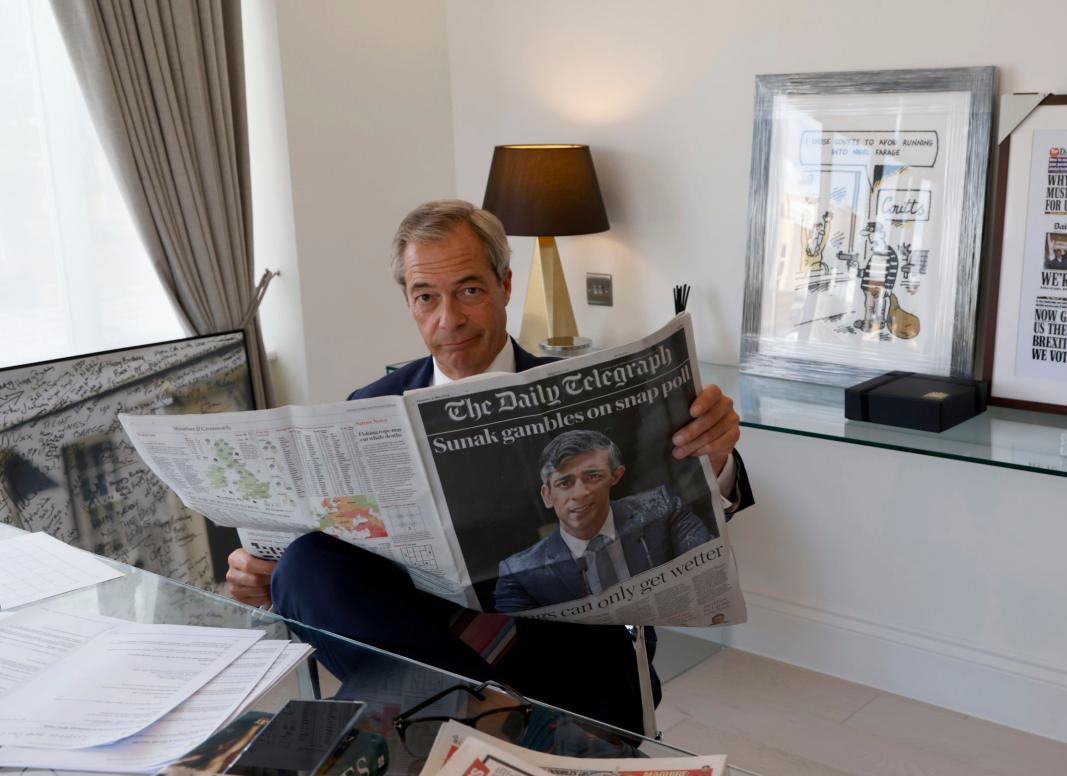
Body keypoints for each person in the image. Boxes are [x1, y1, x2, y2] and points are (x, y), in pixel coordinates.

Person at [224, 199, 752, 733]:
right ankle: (502, 722)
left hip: (562, 645)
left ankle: (481, 723)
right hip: (422, 640)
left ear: (505, 285)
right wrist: (265, 571)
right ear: (408, 301)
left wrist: (715, 458)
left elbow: (680, 515)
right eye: (425, 296)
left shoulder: (583, 393)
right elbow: (338, 549)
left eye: (469, 290)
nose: (447, 319)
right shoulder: (369, 406)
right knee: (303, 563)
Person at [493, 430, 712, 613]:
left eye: (593, 476)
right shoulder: (518, 571)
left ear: (615, 476)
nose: (580, 493)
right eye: (564, 483)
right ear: (547, 495)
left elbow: (710, 571)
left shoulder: (661, 507)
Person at [837, 221, 899, 336]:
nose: (871, 239)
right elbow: (867, 272)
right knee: (868, 305)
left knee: (879, 306)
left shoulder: (890, 254)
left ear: (881, 235)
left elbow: (892, 271)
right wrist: (855, 270)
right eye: (870, 237)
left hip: (881, 288)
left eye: (872, 236)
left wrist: (888, 287)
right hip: (869, 287)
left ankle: (879, 322)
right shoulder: (874, 255)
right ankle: (867, 322)